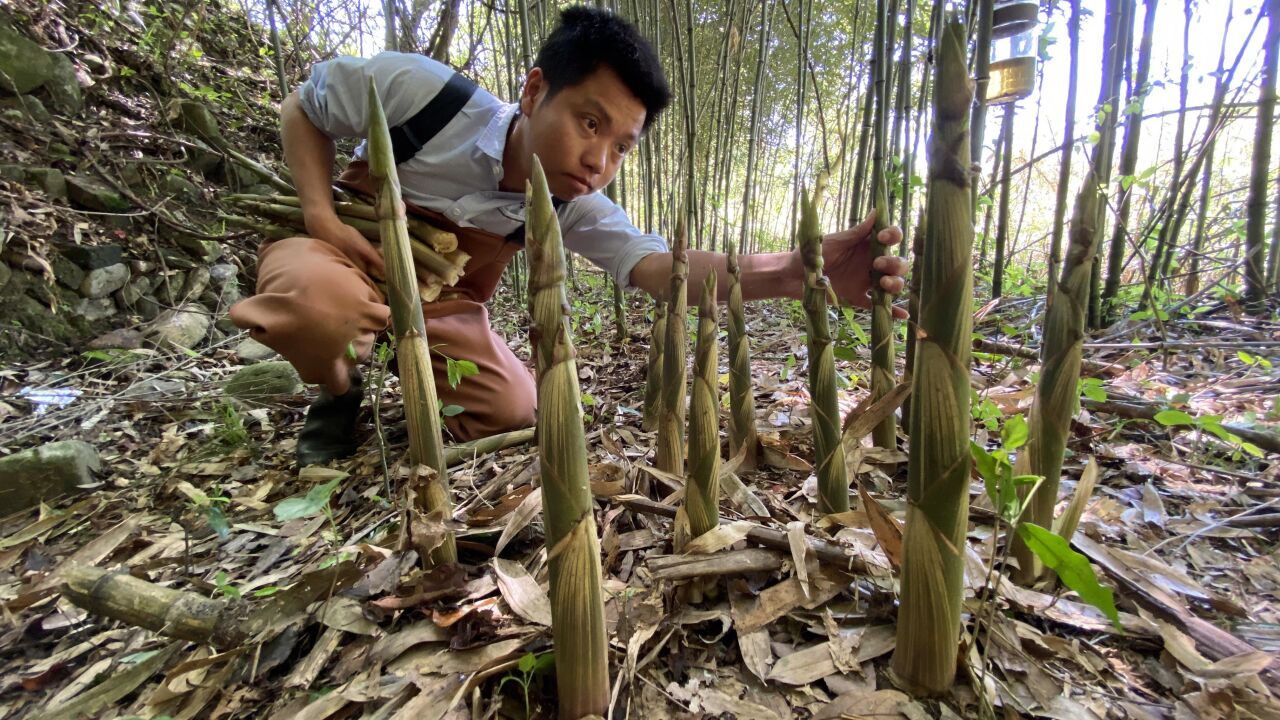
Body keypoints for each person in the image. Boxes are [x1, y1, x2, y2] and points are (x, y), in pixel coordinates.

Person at [229, 5, 907, 468]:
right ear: (533, 91)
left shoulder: (572, 204)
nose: (599, 160)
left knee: (517, 409)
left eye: (621, 147)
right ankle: (339, 391)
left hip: (441, 305)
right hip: (340, 252)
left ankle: (409, 375)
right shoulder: (419, 94)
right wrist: (319, 216)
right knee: (319, 309)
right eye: (590, 123)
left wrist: (798, 273)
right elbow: (303, 107)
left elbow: (662, 268)